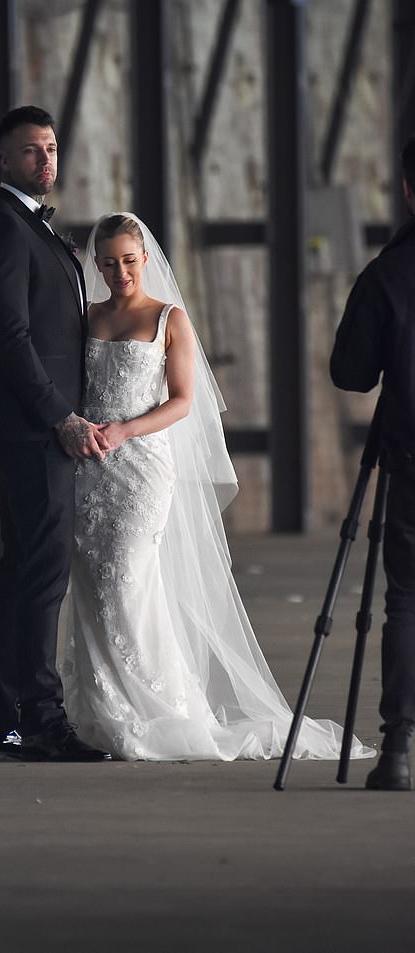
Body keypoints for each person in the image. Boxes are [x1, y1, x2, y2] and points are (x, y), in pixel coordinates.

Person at [0, 211, 375, 763]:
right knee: (91, 590)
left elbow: (183, 401)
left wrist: (124, 428)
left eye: (128, 260)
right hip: (89, 466)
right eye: (107, 262)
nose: (120, 271)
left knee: (128, 581)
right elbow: (48, 370)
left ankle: (159, 710)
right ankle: (99, 713)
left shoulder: (170, 318)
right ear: (96, 265)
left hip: (140, 467)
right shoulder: (89, 315)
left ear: (145, 258)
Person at [0, 104, 111, 763]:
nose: (45, 160)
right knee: (42, 573)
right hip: (32, 429)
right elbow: (12, 337)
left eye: (50, 148)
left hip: (32, 423)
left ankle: (3, 724)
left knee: (24, 571)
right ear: (3, 160)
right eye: (30, 151)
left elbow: (27, 334)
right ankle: (40, 718)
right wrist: (62, 415)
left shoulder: (32, 229)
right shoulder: (1, 228)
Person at [330, 134, 415, 791]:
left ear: (409, 191)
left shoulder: (388, 274)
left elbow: (352, 373)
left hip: (410, 453)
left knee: (406, 602)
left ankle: (397, 751)